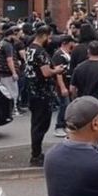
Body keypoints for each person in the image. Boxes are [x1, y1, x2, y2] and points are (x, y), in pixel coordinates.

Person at [26, 25, 66, 166]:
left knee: (36, 124)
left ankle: (36, 152)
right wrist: (57, 70)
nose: (50, 40)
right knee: (41, 124)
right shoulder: (40, 52)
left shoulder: (30, 48)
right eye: (49, 37)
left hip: (32, 91)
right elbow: (45, 73)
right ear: (43, 36)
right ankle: (36, 155)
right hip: (42, 93)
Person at [53, 35, 76, 138]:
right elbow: (58, 73)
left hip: (68, 82)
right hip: (63, 84)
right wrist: (62, 87)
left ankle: (66, 125)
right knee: (64, 105)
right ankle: (59, 126)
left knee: (68, 105)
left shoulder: (68, 54)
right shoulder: (58, 55)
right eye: (71, 42)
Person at [0, 25, 21, 113]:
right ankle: (13, 109)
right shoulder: (8, 45)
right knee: (13, 92)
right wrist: (14, 72)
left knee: (7, 91)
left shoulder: (2, 42)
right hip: (8, 72)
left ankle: (9, 110)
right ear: (11, 35)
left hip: (2, 71)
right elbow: (9, 59)